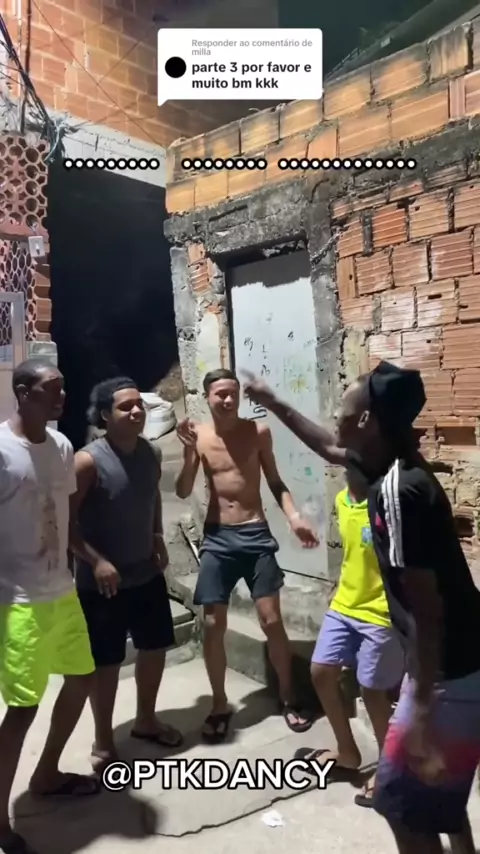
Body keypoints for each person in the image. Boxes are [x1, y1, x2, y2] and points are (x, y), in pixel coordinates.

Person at [243, 363, 480, 854]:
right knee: (438, 795)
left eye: (345, 405)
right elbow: (329, 448)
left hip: (449, 673)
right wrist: (274, 400)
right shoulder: (389, 464)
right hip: (454, 665)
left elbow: (426, 609)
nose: (337, 413)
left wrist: (419, 705)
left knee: (400, 807)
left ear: (368, 419)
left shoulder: (399, 490)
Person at [175, 368, 319, 742]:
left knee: (271, 621)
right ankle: (219, 704)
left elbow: (275, 481)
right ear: (207, 397)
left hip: (255, 534)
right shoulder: (199, 436)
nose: (227, 399)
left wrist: (294, 517)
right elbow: (183, 489)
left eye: (232, 393)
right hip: (218, 538)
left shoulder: (258, 432)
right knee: (212, 624)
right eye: (220, 394)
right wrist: (189, 452)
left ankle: (288, 697)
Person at [0, 359, 99, 854]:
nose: (62, 398)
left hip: (62, 591)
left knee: (81, 678)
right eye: (51, 390)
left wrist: (91, 561)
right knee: (22, 708)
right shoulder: (2, 451)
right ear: (23, 392)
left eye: (62, 389)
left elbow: (65, 520)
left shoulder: (61, 447)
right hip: (18, 601)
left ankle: (47, 774)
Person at [71, 377, 182, 772]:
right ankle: (103, 741)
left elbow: (152, 499)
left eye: (140, 405)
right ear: (105, 415)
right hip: (103, 583)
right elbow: (63, 523)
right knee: (107, 663)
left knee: (154, 648)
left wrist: (157, 535)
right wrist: (95, 561)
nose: (137, 411)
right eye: (125, 407)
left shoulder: (150, 453)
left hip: (145, 572)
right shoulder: (87, 462)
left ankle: (145, 720)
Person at [302, 463, 404, 806]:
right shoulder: (343, 500)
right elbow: (352, 554)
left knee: (372, 691)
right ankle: (347, 752)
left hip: (380, 612)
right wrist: (337, 586)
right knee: (321, 671)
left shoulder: (387, 503)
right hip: (345, 604)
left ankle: (389, 770)